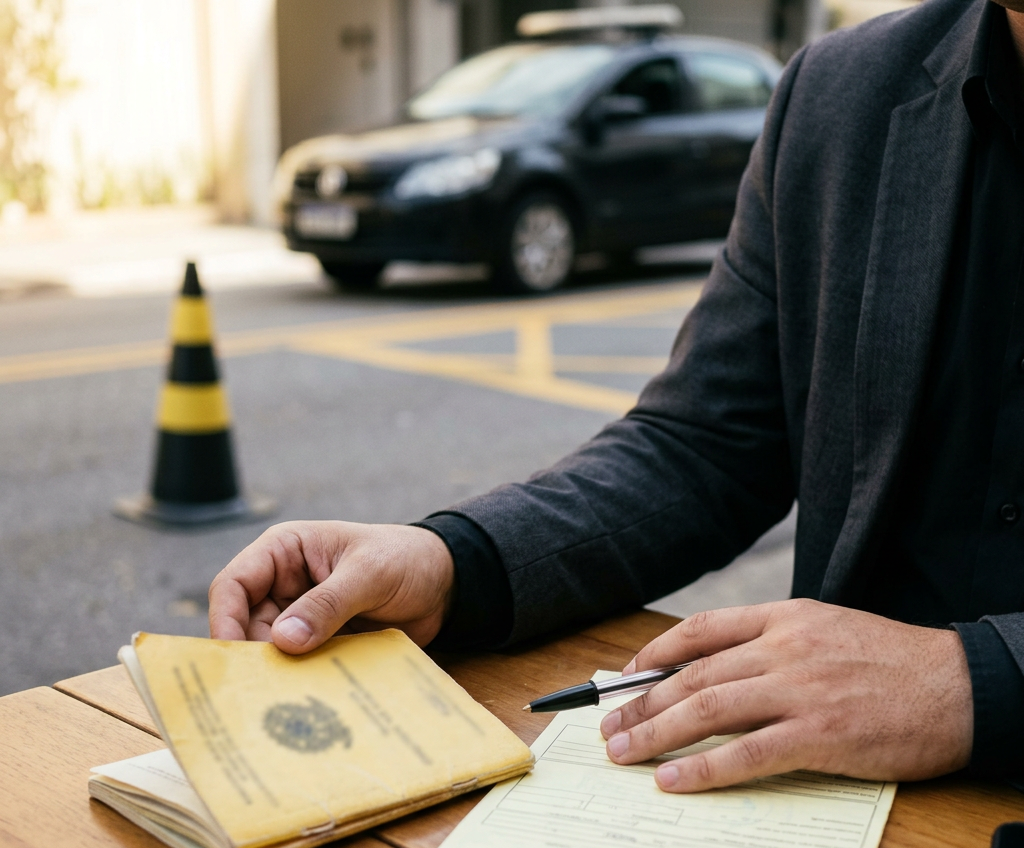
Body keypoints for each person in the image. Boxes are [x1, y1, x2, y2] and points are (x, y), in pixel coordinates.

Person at [209, 0, 1024, 793]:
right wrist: (455, 562)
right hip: (835, 807)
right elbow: (703, 446)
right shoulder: (841, 94)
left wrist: (972, 683)